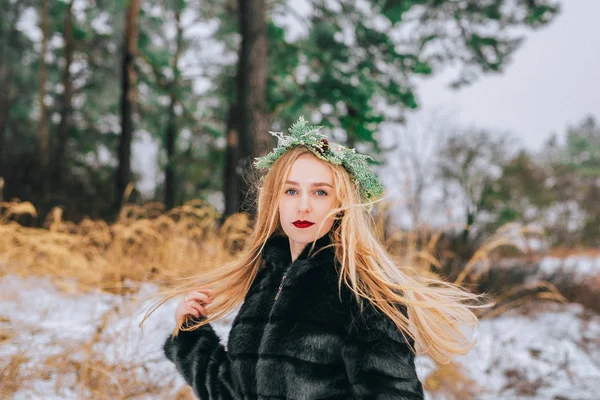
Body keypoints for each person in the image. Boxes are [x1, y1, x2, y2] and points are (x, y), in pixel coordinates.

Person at [146, 117, 485, 399]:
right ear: (274, 201)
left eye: (320, 192)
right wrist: (190, 336)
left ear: (340, 205)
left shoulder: (361, 293)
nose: (303, 205)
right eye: (291, 190)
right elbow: (235, 392)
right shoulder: (267, 281)